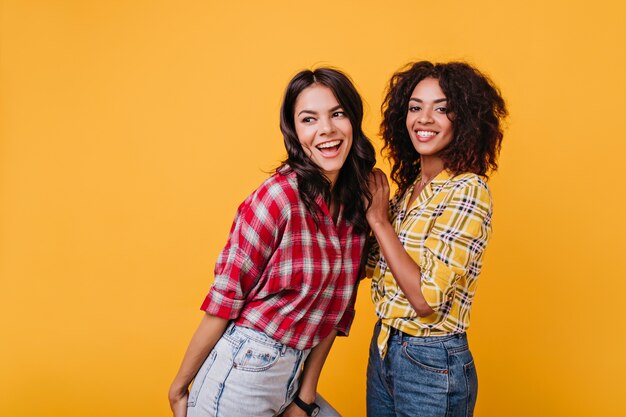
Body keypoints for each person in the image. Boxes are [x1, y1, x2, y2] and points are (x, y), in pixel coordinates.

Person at [168, 67, 376, 417]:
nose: (326, 129)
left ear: (353, 120)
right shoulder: (277, 198)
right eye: (309, 119)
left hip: (292, 379)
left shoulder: (356, 207)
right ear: (295, 132)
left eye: (337, 113)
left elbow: (335, 311)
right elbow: (224, 300)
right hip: (241, 373)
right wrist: (178, 388)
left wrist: (304, 399)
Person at [364, 61, 507, 417]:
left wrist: (379, 221)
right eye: (415, 107)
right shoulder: (410, 190)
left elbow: (426, 299)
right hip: (384, 348)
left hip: (431, 361)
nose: (424, 118)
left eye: (441, 108)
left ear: (466, 120)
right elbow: (371, 267)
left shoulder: (469, 190)